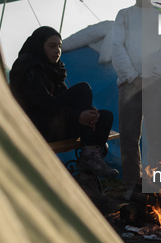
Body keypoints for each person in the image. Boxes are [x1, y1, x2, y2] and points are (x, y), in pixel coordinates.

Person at [9, 26, 118, 179]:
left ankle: (88, 177)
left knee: (105, 117)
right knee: (83, 88)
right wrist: (77, 116)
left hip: (56, 125)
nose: (58, 51)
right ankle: (89, 156)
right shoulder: (29, 68)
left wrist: (86, 112)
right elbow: (45, 104)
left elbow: (66, 98)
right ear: (39, 46)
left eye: (60, 46)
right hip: (36, 128)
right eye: (52, 46)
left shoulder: (54, 70)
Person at [112, 0, 161, 201]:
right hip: (129, 85)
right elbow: (117, 47)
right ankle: (132, 185)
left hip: (156, 84)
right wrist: (132, 76)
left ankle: (157, 184)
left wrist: (152, 76)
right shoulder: (123, 15)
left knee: (157, 135)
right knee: (129, 136)